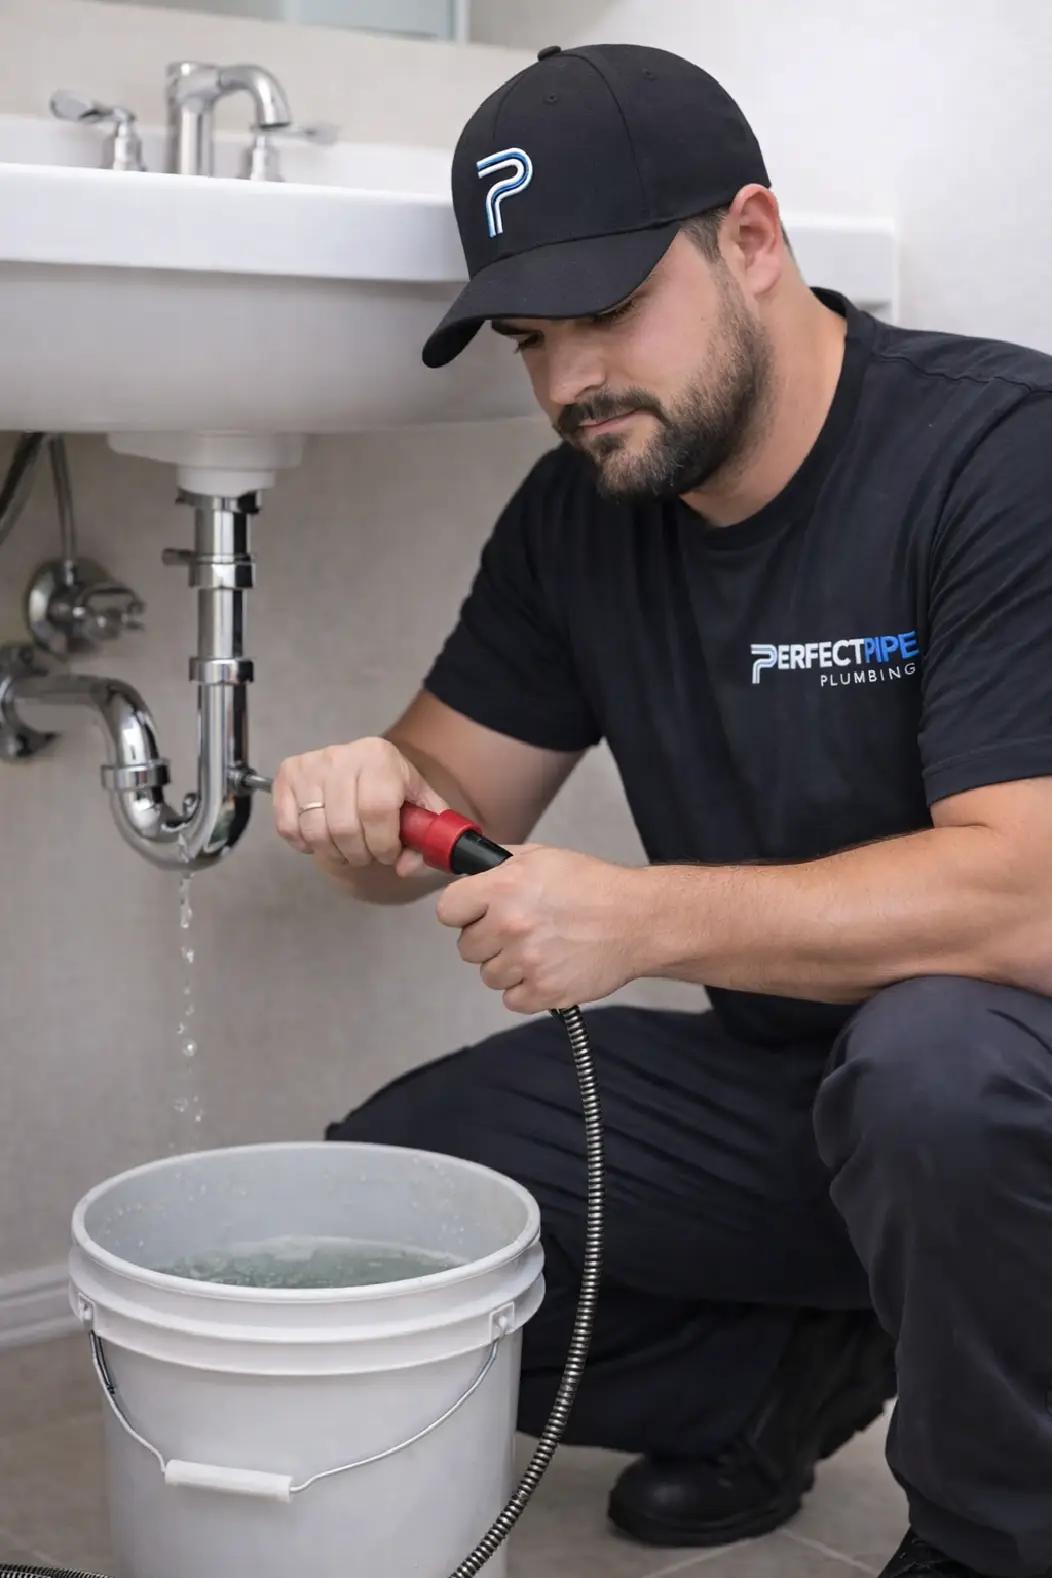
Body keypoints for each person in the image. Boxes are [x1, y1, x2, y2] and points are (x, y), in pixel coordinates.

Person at [272, 42, 1052, 1578]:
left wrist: (640, 917)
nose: (570, 383)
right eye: (529, 338)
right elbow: (447, 790)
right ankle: (786, 1374)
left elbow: (1029, 895)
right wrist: (370, 794)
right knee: (402, 1202)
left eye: (613, 312)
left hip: (999, 1085)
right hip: (800, 1106)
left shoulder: (998, 453)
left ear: (752, 241)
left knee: (932, 1063)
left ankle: (993, 1537)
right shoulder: (584, 515)